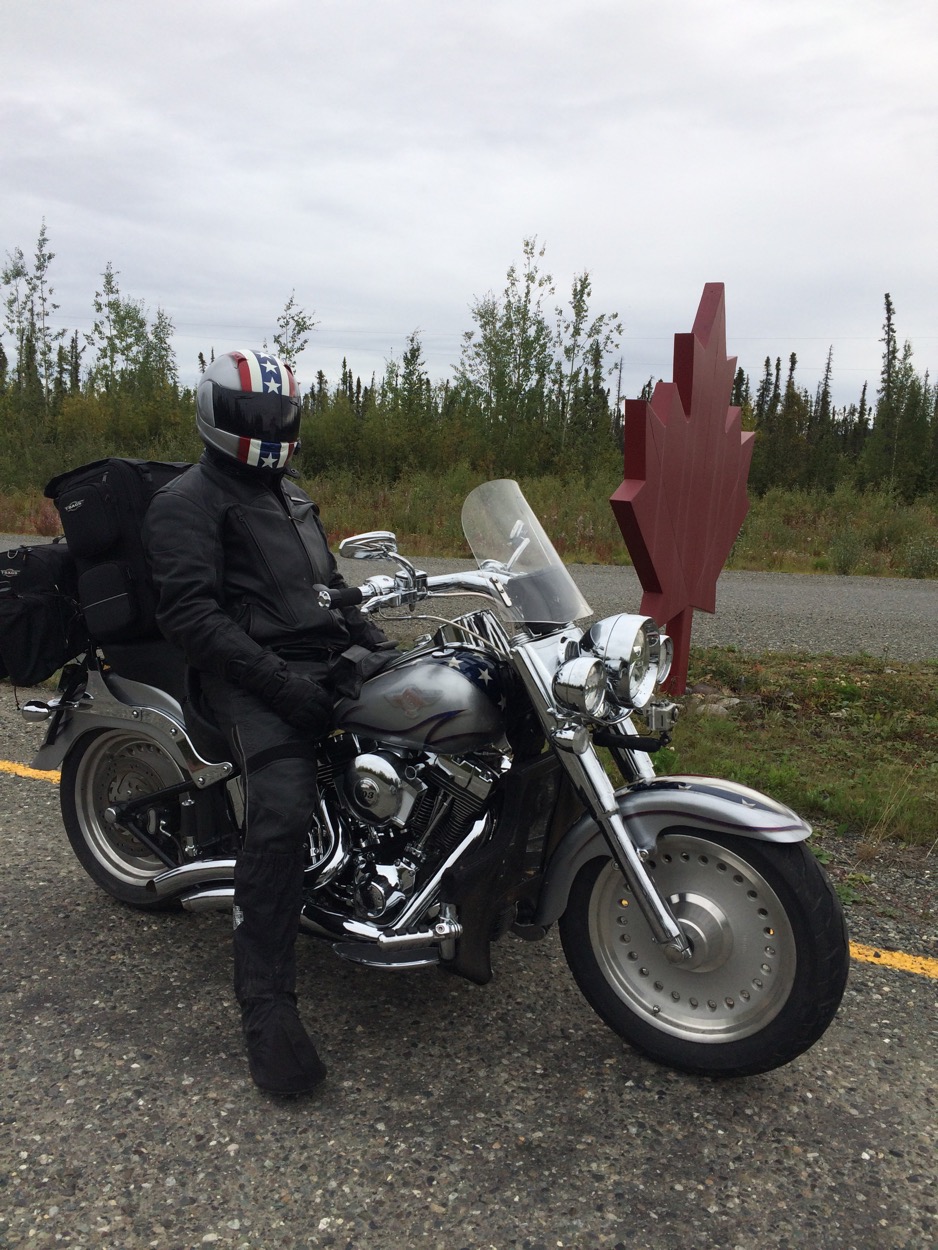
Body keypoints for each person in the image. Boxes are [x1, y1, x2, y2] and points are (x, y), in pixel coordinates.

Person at [143, 349, 392, 1095]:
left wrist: (375, 641)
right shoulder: (185, 502)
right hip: (244, 678)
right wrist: (282, 686)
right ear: (218, 415)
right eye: (255, 415)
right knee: (281, 811)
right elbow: (191, 617)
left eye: (280, 415)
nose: (270, 429)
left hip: (318, 660)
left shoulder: (293, 494)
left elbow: (329, 587)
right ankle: (267, 1009)